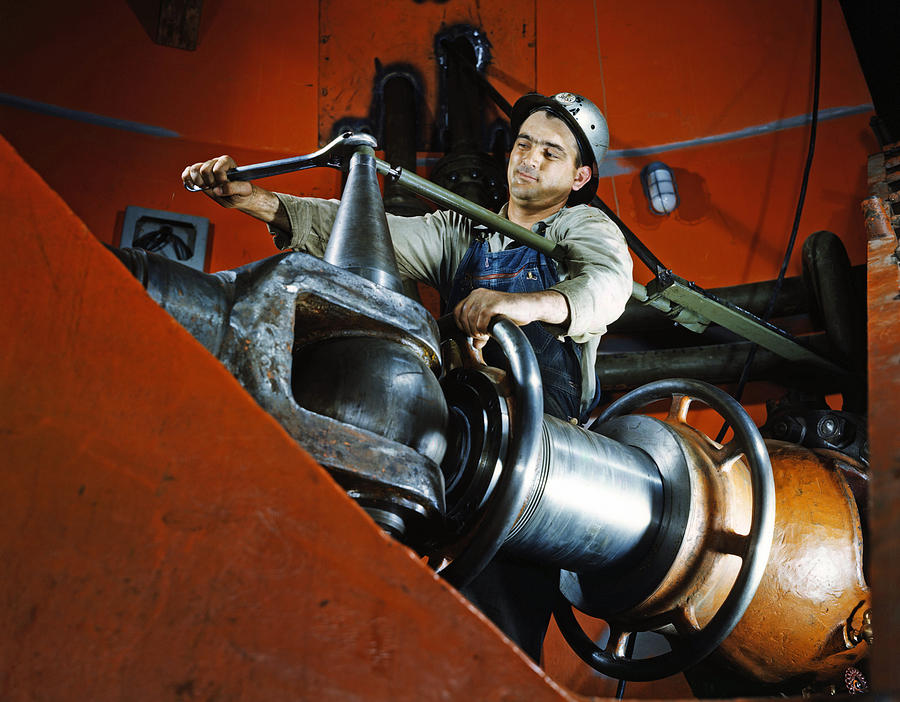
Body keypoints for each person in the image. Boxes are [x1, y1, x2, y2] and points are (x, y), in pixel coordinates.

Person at [182, 91, 633, 661]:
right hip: (461, 439)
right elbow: (374, 234)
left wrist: (527, 306)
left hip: (547, 454)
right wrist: (254, 200)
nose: (530, 159)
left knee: (501, 630)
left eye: (551, 152)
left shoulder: (584, 225)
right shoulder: (466, 233)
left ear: (580, 175)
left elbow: (607, 287)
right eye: (523, 144)